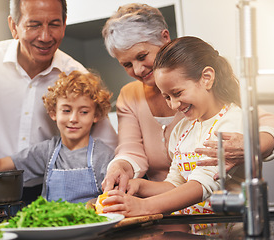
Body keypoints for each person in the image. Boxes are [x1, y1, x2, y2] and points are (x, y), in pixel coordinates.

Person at [0, 0, 117, 202]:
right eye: (34, 25)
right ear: (14, 26)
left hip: (42, 194)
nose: (45, 36)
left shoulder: (76, 76)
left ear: (64, 25)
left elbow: (107, 146)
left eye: (54, 24)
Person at [101, 3, 274, 193]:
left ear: (165, 37)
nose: (137, 70)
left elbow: (266, 122)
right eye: (127, 64)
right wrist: (119, 167)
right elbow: (130, 150)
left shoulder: (213, 84)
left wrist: (250, 145)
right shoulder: (129, 95)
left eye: (142, 56)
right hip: (166, 204)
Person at [102, 36, 249, 235]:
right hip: (193, 233)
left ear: (206, 78)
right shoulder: (182, 129)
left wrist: (143, 207)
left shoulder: (231, 121)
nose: (173, 105)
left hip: (232, 234)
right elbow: (175, 184)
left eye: (177, 93)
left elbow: (200, 186)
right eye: (167, 97)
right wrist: (138, 186)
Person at [0, 70, 114, 203]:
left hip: (92, 226)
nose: (73, 118)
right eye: (66, 110)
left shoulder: (103, 155)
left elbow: (112, 196)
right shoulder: (47, 151)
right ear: (53, 113)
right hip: (51, 229)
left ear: (96, 115)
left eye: (83, 112)